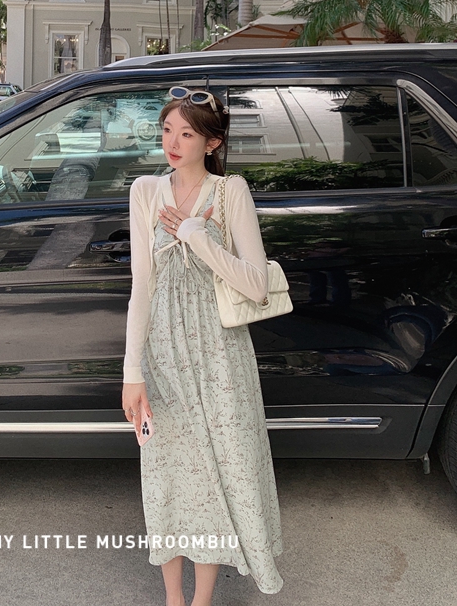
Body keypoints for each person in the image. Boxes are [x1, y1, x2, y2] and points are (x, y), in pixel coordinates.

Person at [122, 88, 283, 605]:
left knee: (217, 473)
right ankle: (174, 598)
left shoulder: (230, 191)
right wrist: (131, 372)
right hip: (162, 356)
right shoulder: (146, 191)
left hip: (219, 356)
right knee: (168, 474)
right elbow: (141, 287)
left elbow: (255, 284)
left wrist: (198, 236)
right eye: (167, 130)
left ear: (211, 143)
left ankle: (202, 600)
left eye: (187, 133)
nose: (173, 142)